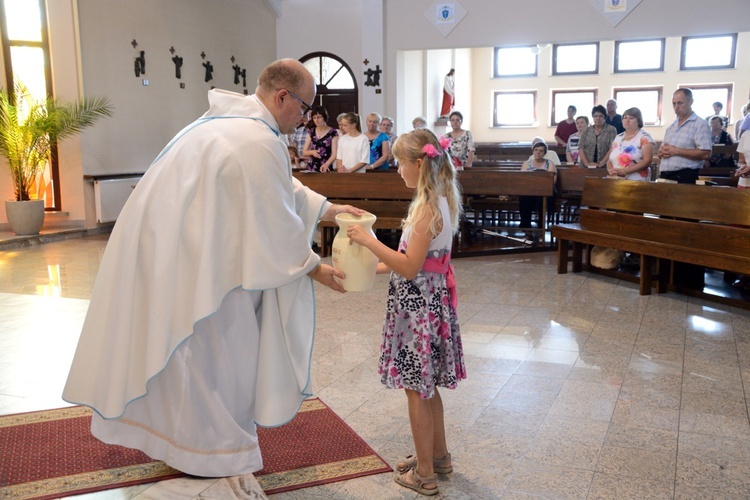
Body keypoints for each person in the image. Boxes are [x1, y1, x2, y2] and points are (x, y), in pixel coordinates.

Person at [62, 59, 364, 478]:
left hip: (178, 259)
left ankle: (179, 443)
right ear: (282, 97)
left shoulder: (222, 125)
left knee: (186, 355)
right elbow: (271, 215)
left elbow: (273, 185)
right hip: (209, 272)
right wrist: (315, 267)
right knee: (220, 357)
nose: (305, 118)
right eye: (304, 106)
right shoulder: (255, 138)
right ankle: (215, 451)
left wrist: (327, 208)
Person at [346, 129, 465, 497]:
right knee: (427, 390)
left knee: (416, 390)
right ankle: (439, 457)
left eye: (399, 162)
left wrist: (369, 241)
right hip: (429, 301)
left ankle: (425, 475)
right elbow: (416, 262)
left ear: (418, 163)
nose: (397, 169)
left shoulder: (427, 207)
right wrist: (364, 269)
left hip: (418, 310)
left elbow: (410, 267)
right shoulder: (441, 197)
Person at [657, 88, 711, 184]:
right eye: (674, 103)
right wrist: (661, 153)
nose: (676, 107)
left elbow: (705, 153)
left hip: (685, 177)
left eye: (680, 103)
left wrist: (677, 151)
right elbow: (661, 152)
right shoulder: (671, 127)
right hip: (665, 175)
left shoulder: (700, 124)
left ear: (691, 102)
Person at [519, 141, 558, 236]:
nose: (538, 152)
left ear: (544, 153)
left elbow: (553, 181)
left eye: (541, 151)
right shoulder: (526, 163)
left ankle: (541, 226)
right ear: (533, 151)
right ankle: (526, 226)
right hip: (530, 190)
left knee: (543, 200)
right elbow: (522, 180)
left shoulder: (550, 163)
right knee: (524, 198)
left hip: (545, 190)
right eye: (536, 150)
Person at [606, 107, 655, 181]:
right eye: (625, 118)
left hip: (637, 181)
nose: (627, 120)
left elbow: (647, 161)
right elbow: (610, 159)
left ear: (638, 121)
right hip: (616, 180)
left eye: (631, 118)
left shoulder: (644, 137)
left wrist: (624, 171)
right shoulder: (618, 137)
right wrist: (611, 171)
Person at [302, 106, 338, 172]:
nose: (316, 120)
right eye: (314, 118)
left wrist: (327, 164)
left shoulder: (333, 132)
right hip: (312, 166)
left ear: (324, 117)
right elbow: (304, 152)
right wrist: (312, 152)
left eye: (319, 117)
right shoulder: (311, 131)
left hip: (326, 166)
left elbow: (334, 154)